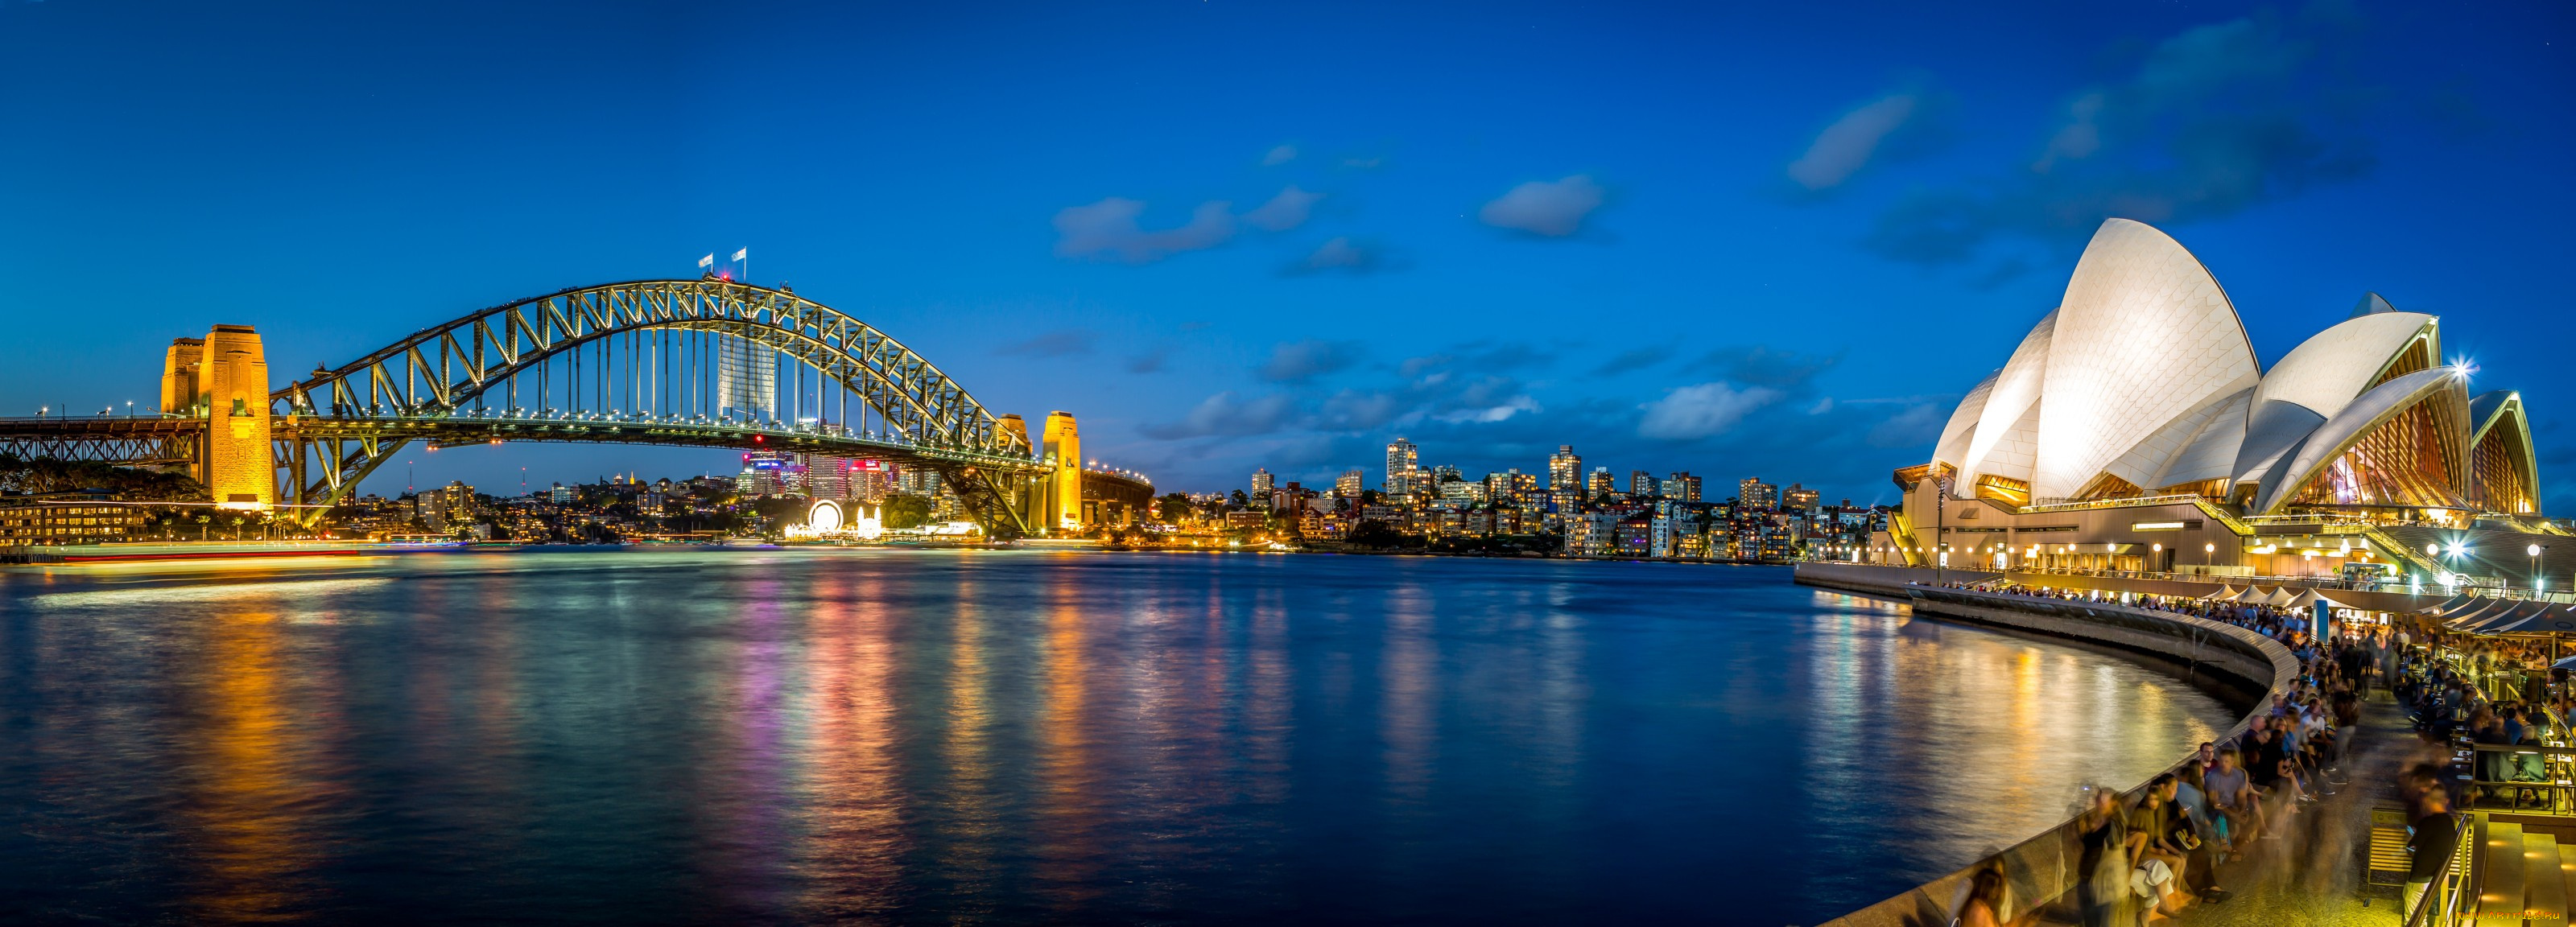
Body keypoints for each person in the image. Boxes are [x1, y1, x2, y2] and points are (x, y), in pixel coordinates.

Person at [2404, 770, 2457, 916]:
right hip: (2435, 875)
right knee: (2421, 914)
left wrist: (2411, 840)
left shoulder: (2428, 822)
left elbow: (2411, 848)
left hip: (2421, 876)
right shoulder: (2449, 821)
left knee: (2413, 916)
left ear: (2428, 800)